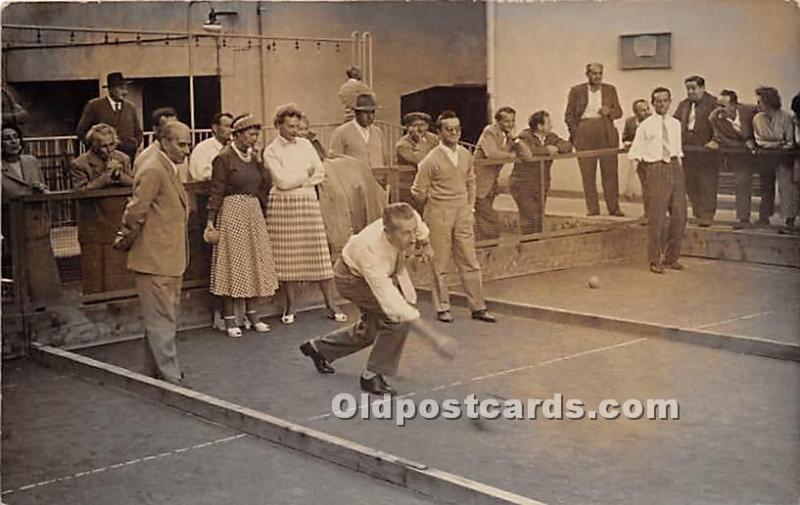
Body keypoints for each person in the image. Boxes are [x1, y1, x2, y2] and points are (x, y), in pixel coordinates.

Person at [299, 203, 454, 395]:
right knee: (396, 321)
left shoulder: (407, 218)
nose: (411, 237)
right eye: (406, 233)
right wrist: (435, 338)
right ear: (387, 232)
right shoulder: (370, 251)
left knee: (373, 329)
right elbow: (394, 304)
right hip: (351, 280)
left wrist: (425, 244)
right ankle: (371, 376)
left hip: (371, 273)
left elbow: (417, 224)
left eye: (413, 231)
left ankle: (319, 349)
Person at [113, 121, 192, 385]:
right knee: (162, 318)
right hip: (155, 256)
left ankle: (153, 371)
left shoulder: (165, 165)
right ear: (165, 141)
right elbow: (136, 211)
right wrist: (126, 237)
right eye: (181, 144)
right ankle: (170, 377)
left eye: (188, 144)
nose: (186, 150)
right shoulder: (154, 168)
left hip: (167, 256)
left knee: (161, 317)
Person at [264, 104, 346, 325]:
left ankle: (332, 304)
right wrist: (304, 175)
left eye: (297, 126)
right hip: (284, 207)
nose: (294, 131)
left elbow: (319, 172)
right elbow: (281, 182)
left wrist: (301, 181)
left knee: (319, 255)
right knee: (289, 259)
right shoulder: (271, 150)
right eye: (290, 126)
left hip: (308, 203)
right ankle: (291, 306)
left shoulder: (306, 144)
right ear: (278, 125)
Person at [411, 110, 496, 324]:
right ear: (439, 132)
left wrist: (470, 207)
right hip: (438, 213)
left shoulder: (466, 154)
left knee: (469, 259)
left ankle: (478, 306)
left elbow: (471, 181)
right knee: (439, 262)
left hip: (462, 212)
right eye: (449, 129)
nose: (454, 133)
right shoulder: (430, 161)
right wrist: (434, 202)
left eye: (457, 129)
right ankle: (443, 307)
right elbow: (417, 191)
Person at [204, 114, 278, 337]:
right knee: (234, 265)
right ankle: (229, 318)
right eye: (250, 134)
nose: (254, 138)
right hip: (232, 212)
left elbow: (266, 183)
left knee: (255, 261)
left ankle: (252, 313)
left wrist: (260, 161)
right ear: (236, 135)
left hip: (252, 211)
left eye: (256, 134)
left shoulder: (253, 157)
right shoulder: (224, 158)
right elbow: (216, 190)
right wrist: (210, 221)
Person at [627, 87, 687, 274]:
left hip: (675, 169)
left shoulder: (676, 124)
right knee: (657, 218)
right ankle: (654, 260)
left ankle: (672, 257)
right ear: (653, 104)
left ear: (670, 102)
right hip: (656, 169)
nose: (661, 104)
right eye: (657, 101)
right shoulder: (645, 125)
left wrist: (680, 176)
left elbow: (678, 152)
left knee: (680, 216)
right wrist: (629, 184)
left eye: (665, 100)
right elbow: (635, 155)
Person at [1, 124, 62, 304]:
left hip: (38, 226)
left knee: (44, 276)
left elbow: (45, 191)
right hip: (14, 227)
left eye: (15, 137)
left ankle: (52, 310)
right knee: (22, 275)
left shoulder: (31, 161)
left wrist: (42, 190)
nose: (12, 142)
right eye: (6, 138)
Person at [70, 123, 134, 294]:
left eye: (112, 144)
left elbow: (135, 184)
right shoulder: (80, 164)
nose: (109, 150)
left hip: (118, 222)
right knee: (95, 277)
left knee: (120, 274)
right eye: (103, 146)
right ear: (93, 145)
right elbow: (79, 193)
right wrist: (103, 179)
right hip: (94, 225)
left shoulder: (123, 159)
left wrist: (120, 176)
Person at [564, 62, 624, 217]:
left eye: (600, 73)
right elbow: (569, 115)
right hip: (585, 131)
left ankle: (614, 208)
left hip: (605, 131)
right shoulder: (577, 91)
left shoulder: (610, 89)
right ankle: (593, 208)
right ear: (587, 74)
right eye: (594, 73)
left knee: (610, 172)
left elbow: (619, 112)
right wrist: (576, 133)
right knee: (588, 173)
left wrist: (609, 111)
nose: (597, 77)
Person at [512, 110, 573, 234]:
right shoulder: (524, 136)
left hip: (541, 182)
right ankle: (527, 244)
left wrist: (556, 148)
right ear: (540, 126)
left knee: (539, 215)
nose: (551, 126)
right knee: (529, 216)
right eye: (548, 123)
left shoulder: (551, 137)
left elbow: (568, 146)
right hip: (522, 183)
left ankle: (537, 243)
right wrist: (546, 150)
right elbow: (528, 151)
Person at [707, 90, 759, 229]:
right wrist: (743, 145)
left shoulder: (750, 111)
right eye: (718, 105)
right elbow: (722, 139)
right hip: (738, 157)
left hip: (760, 153)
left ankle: (764, 219)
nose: (719, 109)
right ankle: (743, 219)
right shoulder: (714, 118)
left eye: (723, 106)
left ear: (734, 105)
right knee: (741, 183)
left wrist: (753, 141)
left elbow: (763, 122)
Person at [673, 76, 720, 227]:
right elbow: (675, 123)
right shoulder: (684, 105)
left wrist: (716, 141)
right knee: (690, 183)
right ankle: (698, 213)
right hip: (688, 151)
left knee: (707, 184)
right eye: (688, 89)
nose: (690, 92)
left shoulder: (713, 103)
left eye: (693, 88)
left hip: (706, 152)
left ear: (702, 88)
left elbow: (721, 125)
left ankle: (707, 216)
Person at [752, 86, 795, 232]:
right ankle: (764, 218)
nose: (757, 105)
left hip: (784, 159)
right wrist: (777, 144)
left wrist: (777, 146)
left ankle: (788, 220)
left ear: (768, 102)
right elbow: (759, 141)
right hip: (767, 158)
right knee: (766, 188)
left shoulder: (786, 118)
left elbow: (789, 142)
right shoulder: (757, 119)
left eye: (760, 102)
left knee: (786, 188)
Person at [473, 106, 518, 240]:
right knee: (491, 218)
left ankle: (485, 249)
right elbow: (491, 153)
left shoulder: (507, 136)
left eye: (512, 121)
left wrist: (514, 139)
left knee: (483, 220)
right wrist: (510, 156)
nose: (510, 124)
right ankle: (489, 244)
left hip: (490, 184)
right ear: (497, 122)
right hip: (478, 184)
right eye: (506, 121)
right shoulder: (489, 131)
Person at [76, 72, 142, 161]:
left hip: (127, 157)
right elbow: (81, 131)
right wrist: (96, 148)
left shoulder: (130, 108)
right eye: (120, 88)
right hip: (101, 158)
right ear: (110, 89)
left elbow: (138, 132)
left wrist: (134, 144)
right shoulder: (94, 106)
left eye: (125, 88)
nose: (125, 92)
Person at [329, 94, 385, 171]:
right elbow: (334, 161)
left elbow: (382, 159)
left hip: (376, 179)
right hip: (354, 180)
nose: (370, 117)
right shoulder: (341, 132)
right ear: (356, 113)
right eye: (366, 113)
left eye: (372, 112)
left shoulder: (377, 132)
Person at [395, 112, 438, 211]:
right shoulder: (402, 145)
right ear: (407, 128)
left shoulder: (433, 139)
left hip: (429, 186)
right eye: (415, 126)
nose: (420, 129)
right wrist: (421, 142)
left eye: (423, 125)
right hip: (408, 189)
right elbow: (420, 161)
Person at [134, 107, 190, 182]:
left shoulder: (181, 154)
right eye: (168, 126)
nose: (175, 129)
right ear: (155, 129)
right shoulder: (145, 158)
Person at [622, 99, 652, 214]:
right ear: (636, 112)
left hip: (652, 159)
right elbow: (625, 137)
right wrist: (627, 142)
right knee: (645, 186)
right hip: (639, 160)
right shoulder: (630, 122)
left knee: (653, 187)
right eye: (643, 110)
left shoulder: (653, 121)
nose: (647, 112)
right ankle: (648, 213)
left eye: (647, 109)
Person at [189, 112, 233, 182]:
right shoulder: (202, 149)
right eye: (227, 126)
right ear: (215, 128)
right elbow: (201, 175)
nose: (231, 130)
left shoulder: (233, 148)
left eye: (232, 127)